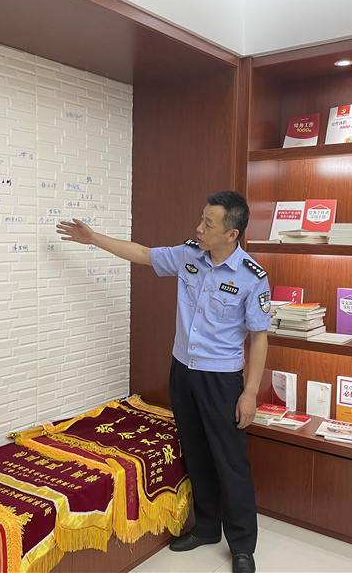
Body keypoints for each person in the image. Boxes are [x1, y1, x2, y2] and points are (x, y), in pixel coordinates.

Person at [57, 191, 269, 573]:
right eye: (201, 218)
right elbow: (143, 254)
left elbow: (259, 337)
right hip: (183, 371)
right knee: (196, 453)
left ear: (231, 234)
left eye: (208, 224)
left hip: (221, 380)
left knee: (231, 461)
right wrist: (94, 239)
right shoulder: (190, 255)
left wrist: (250, 393)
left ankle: (242, 546)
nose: (198, 228)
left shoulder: (252, 277)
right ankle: (206, 528)